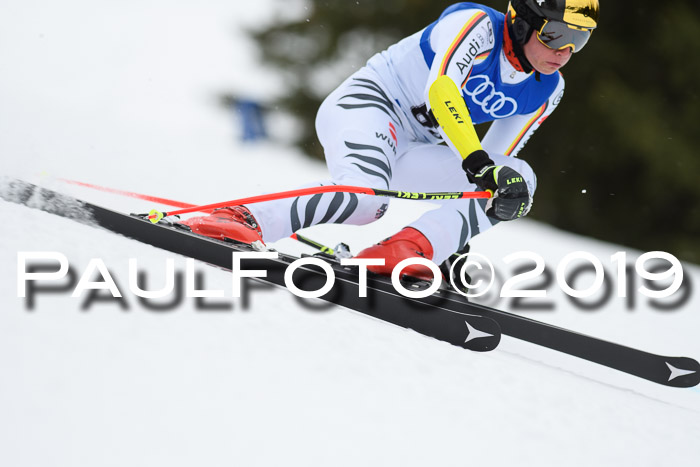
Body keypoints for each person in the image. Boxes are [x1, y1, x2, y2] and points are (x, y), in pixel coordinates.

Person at [181, 0, 600, 283]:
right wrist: (475, 161)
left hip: (417, 146)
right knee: (366, 202)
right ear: (522, 21)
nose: (564, 50)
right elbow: (443, 90)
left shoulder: (548, 88)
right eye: (555, 34)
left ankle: (409, 250)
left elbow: (493, 168)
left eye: (578, 39)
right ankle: (241, 218)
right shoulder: (475, 26)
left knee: (516, 180)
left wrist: (455, 237)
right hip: (370, 107)